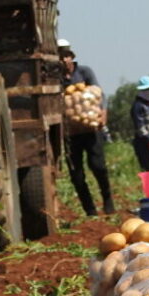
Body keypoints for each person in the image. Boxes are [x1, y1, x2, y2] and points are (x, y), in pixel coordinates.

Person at [58, 39, 114, 215]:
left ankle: (107, 199)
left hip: (90, 130)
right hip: (71, 134)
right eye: (60, 56)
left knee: (98, 166)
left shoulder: (85, 72)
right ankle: (90, 210)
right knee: (77, 174)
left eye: (66, 55)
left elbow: (99, 94)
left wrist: (103, 113)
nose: (64, 60)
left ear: (72, 57)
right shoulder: (55, 78)